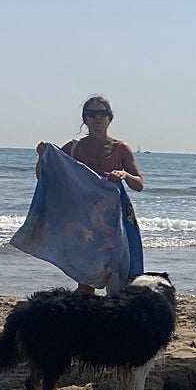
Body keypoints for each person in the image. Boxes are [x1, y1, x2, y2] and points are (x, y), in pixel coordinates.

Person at [35, 95, 144, 294]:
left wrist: (125, 175)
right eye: (92, 113)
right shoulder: (73, 148)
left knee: (116, 278)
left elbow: (139, 184)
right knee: (86, 281)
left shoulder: (120, 149)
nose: (97, 118)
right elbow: (45, 176)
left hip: (113, 224)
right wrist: (43, 158)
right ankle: (86, 311)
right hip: (83, 223)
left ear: (110, 117)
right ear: (85, 119)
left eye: (102, 113)